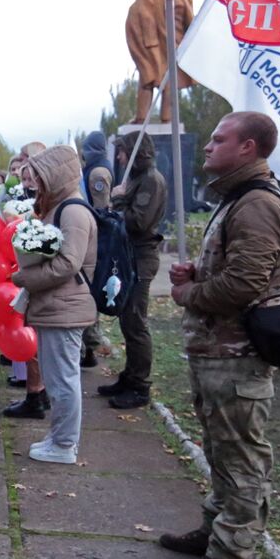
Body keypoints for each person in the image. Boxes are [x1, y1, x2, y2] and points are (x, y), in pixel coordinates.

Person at [163, 112, 280, 559]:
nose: (207, 147)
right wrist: (197, 275)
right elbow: (236, 270)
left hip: (238, 356)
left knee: (240, 459)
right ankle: (215, 531)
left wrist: (188, 294)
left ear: (248, 148)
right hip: (219, 352)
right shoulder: (237, 198)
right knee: (221, 450)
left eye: (219, 139)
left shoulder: (257, 203)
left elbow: (244, 283)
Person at [9, 145, 97, 464]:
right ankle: (59, 437)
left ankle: (63, 445)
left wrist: (25, 278)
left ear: (56, 175)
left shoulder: (72, 211)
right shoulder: (60, 206)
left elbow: (68, 264)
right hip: (57, 306)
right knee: (58, 378)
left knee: (62, 381)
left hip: (65, 307)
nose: (36, 182)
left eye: (41, 175)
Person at [100, 132, 168, 409]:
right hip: (131, 256)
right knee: (127, 321)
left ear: (135, 153)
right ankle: (129, 377)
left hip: (141, 257)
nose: (119, 157)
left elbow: (137, 223)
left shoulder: (151, 180)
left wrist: (117, 200)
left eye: (122, 152)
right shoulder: (139, 178)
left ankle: (139, 386)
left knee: (136, 322)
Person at [3, 144, 51, 413]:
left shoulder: (49, 194)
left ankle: (37, 396)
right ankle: (37, 392)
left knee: (35, 334)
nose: (22, 168)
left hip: (43, 272)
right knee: (33, 332)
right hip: (34, 268)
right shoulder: (37, 192)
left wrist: (18, 217)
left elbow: (36, 222)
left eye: (26, 161)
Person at [79, 131, 114, 368]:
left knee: (88, 293)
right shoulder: (94, 169)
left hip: (95, 241)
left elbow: (100, 210)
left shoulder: (98, 173)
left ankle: (90, 348)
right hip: (92, 239)